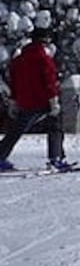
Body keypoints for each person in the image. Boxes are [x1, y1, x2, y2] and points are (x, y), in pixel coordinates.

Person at [0, 28, 69, 172]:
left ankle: (0, 156)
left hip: (24, 101)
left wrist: (14, 101)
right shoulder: (44, 58)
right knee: (55, 126)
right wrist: (53, 100)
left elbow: (13, 80)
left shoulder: (19, 59)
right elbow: (49, 81)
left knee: (16, 130)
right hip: (42, 101)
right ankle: (56, 158)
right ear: (46, 40)